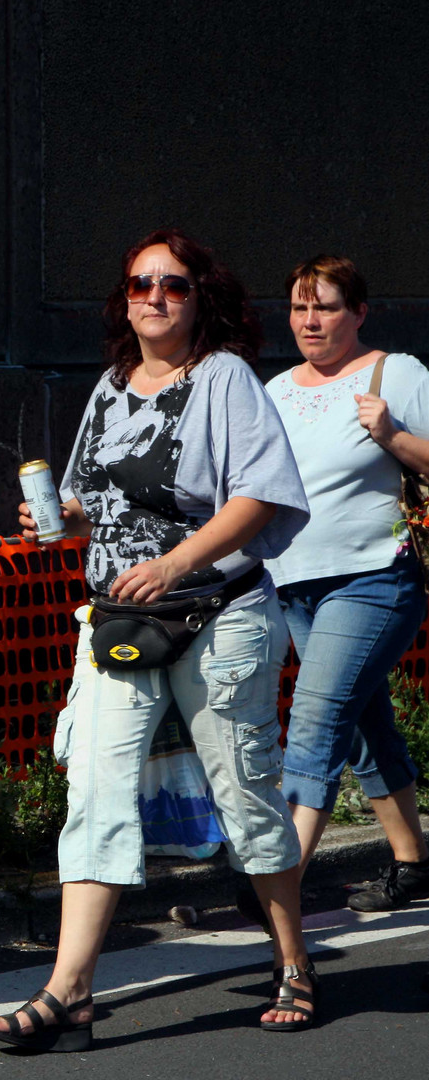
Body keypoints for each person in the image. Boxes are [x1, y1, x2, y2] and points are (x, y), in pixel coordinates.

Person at [0, 229, 316, 1051]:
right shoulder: (106, 385)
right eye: (139, 283)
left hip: (218, 614)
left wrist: (174, 563)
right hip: (118, 623)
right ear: (121, 297)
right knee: (93, 792)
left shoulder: (225, 378)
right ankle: (69, 993)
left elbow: (260, 497)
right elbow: (91, 497)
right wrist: (54, 522)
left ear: (201, 297)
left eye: (172, 284)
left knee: (245, 793)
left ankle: (295, 964)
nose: (153, 297)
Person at [258, 255, 429, 912]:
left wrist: (389, 433)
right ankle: (412, 863)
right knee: (361, 721)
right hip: (292, 583)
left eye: (324, 306)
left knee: (316, 720)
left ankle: (276, 883)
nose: (309, 320)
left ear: (356, 313)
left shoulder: (396, 372)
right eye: (299, 307)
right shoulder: (275, 390)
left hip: (372, 579)